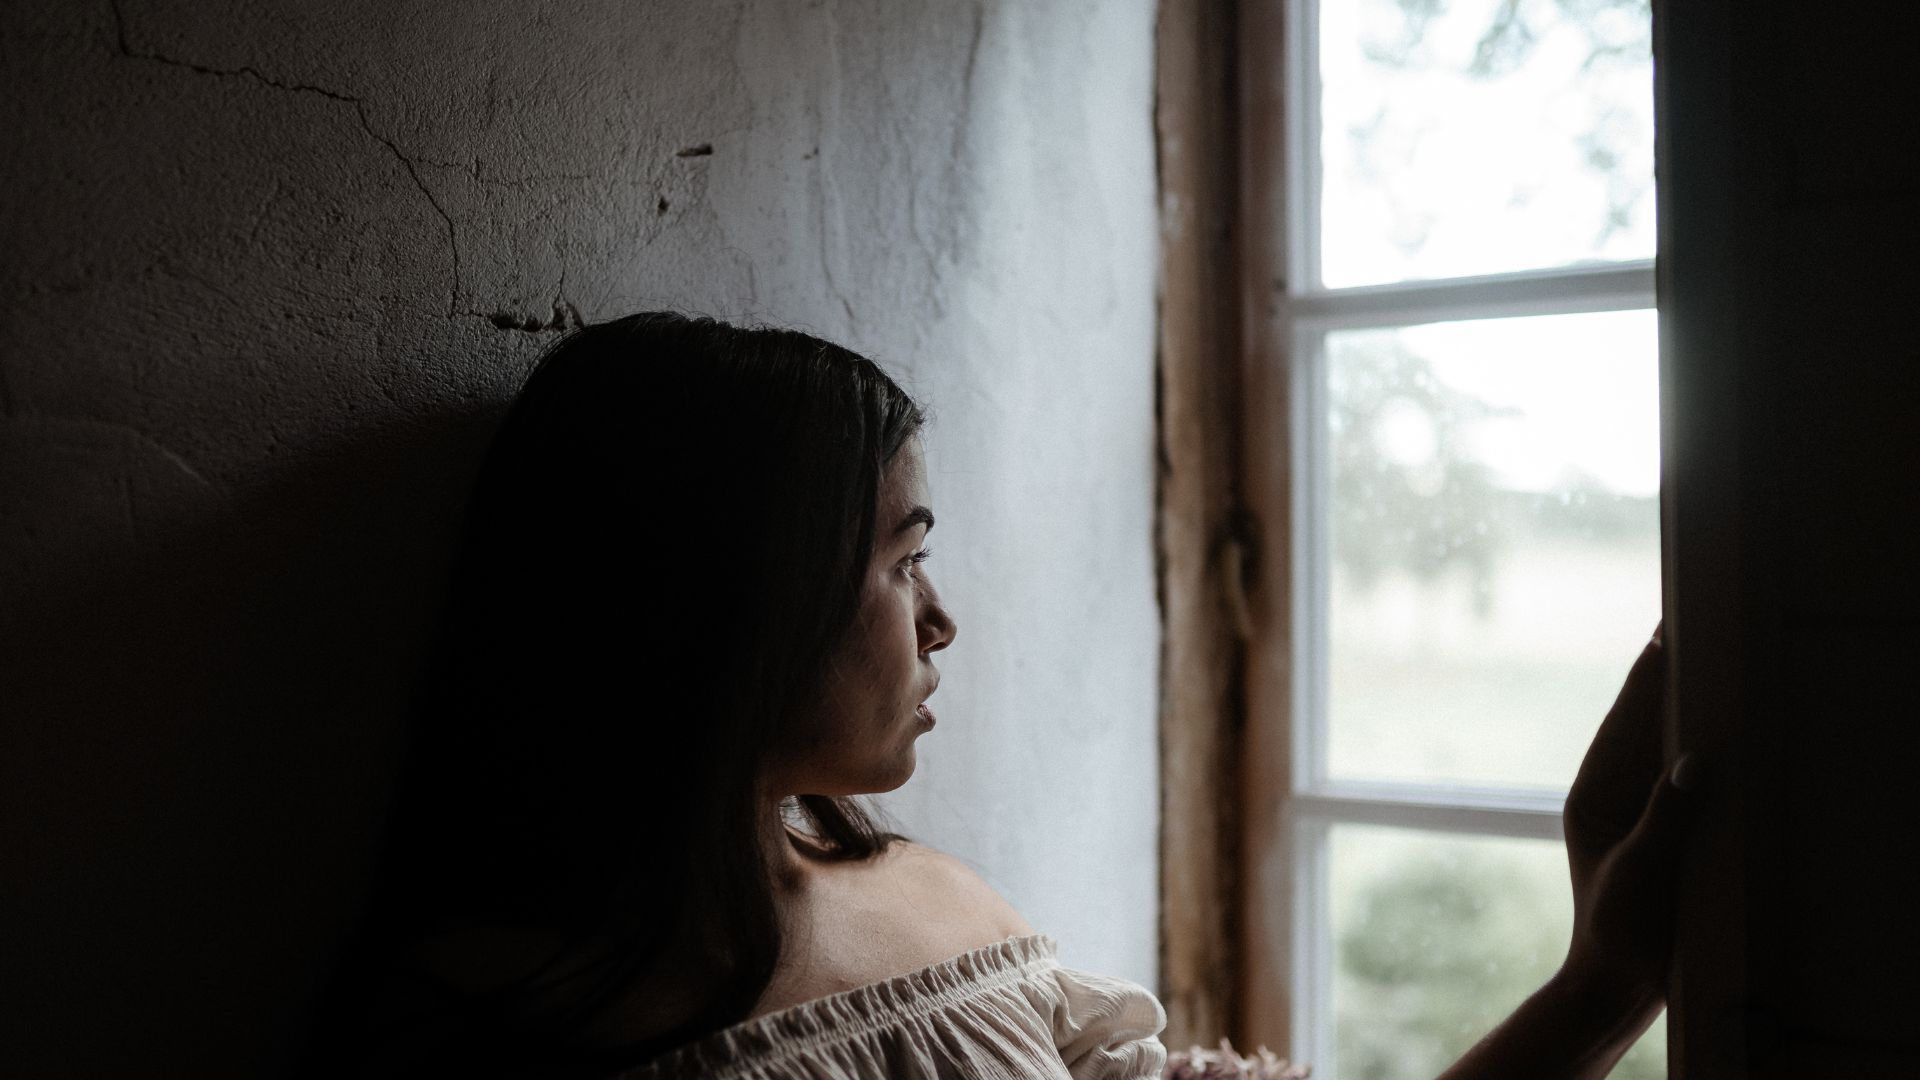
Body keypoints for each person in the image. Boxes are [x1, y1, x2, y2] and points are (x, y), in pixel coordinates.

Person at [306, 312, 1697, 1078]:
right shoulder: (487, 1024)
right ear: (733, 601)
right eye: (901, 560)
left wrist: (1602, 984)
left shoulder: (941, 909)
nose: (942, 621)